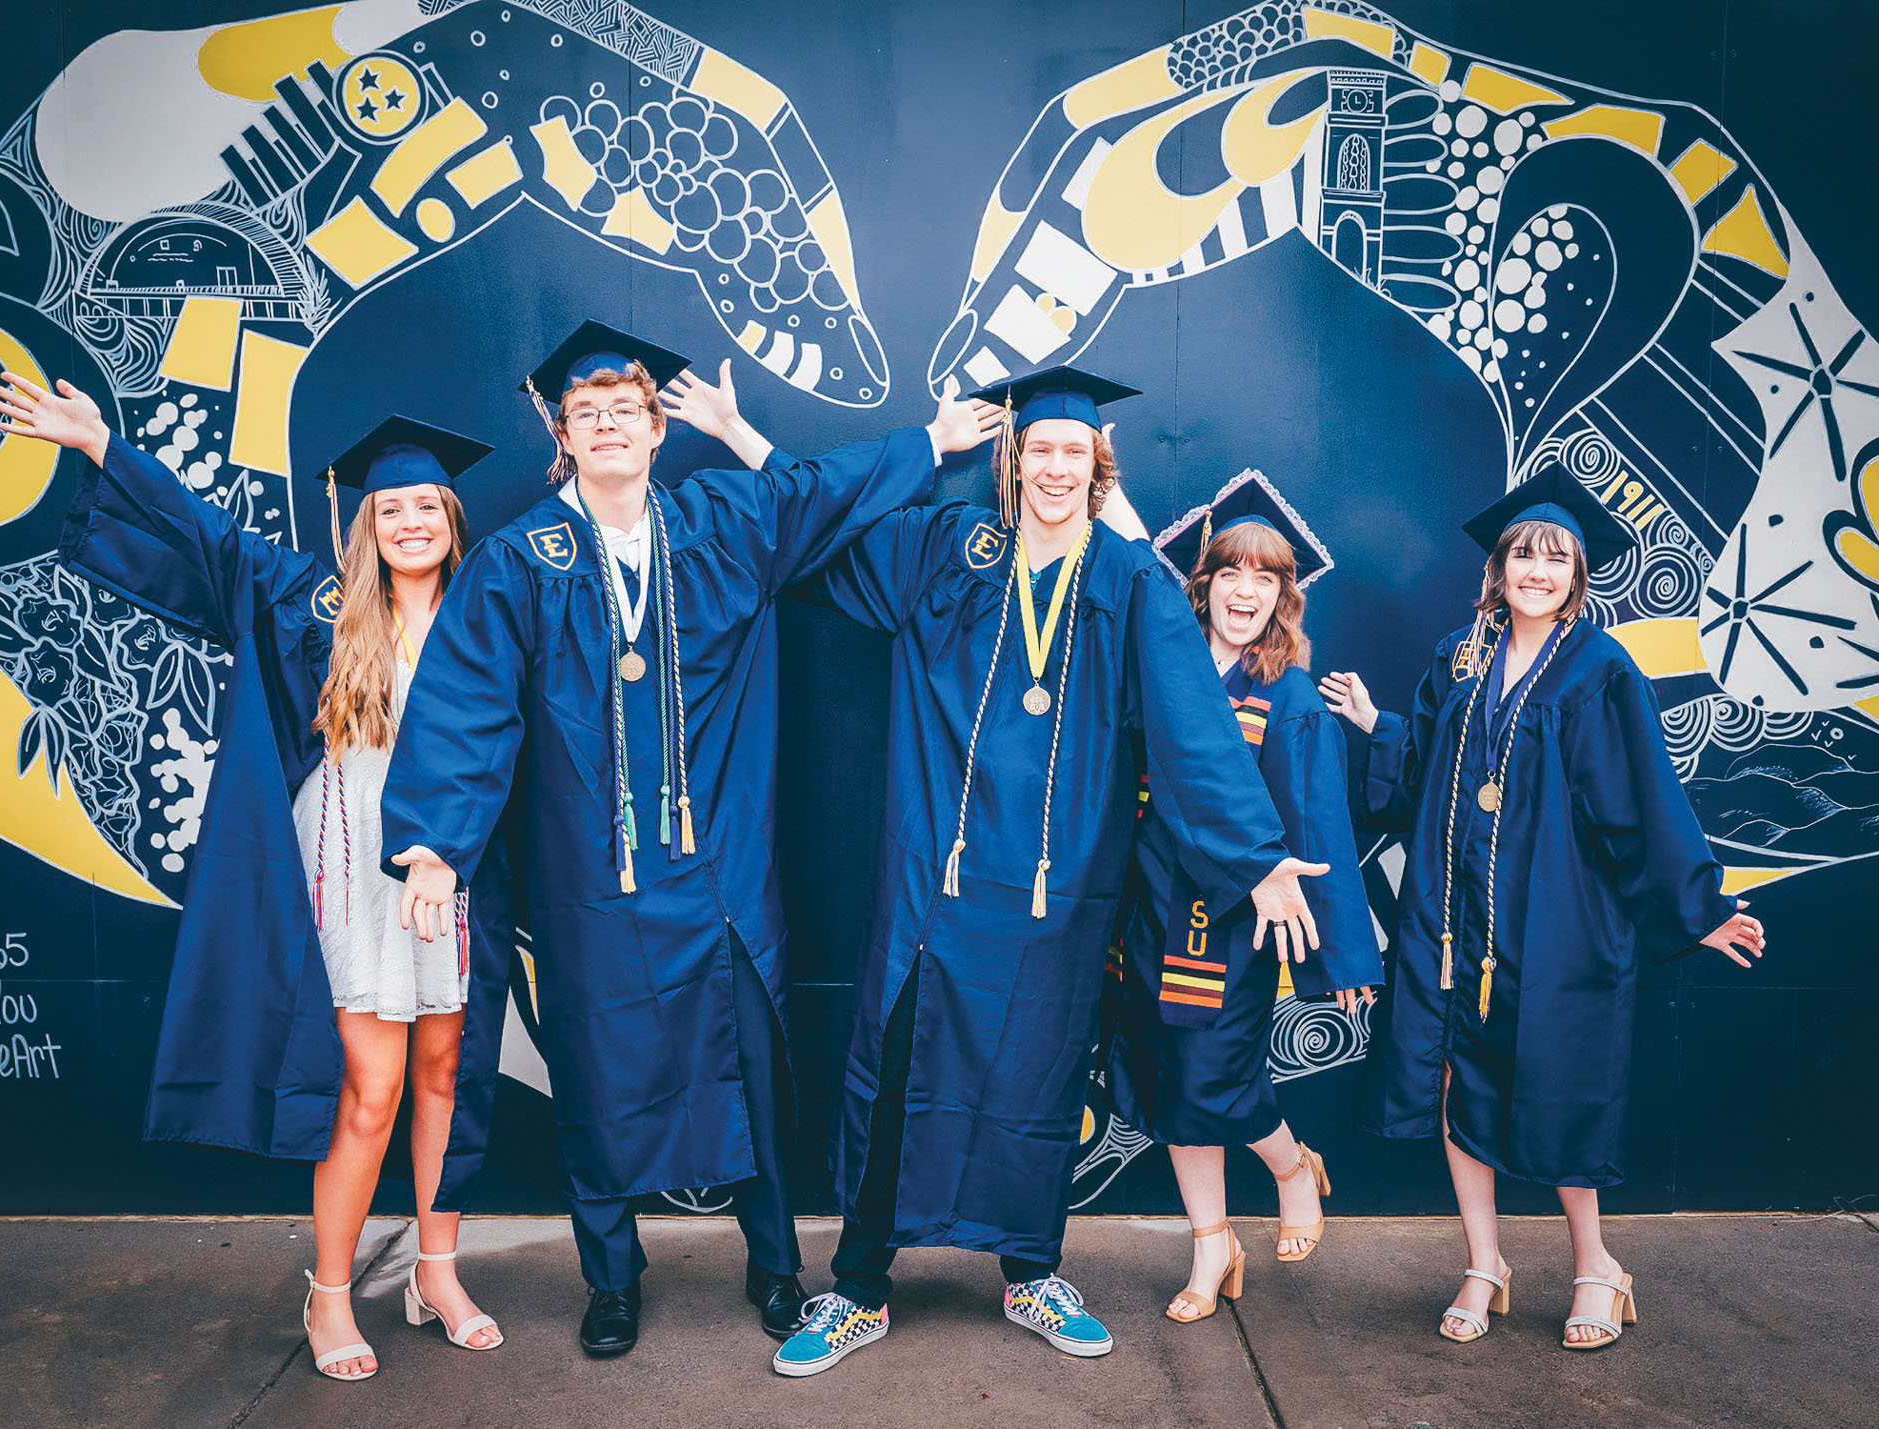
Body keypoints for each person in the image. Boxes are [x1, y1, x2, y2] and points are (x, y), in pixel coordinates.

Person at [380, 322, 1001, 1358]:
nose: (610, 425)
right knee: (594, 1078)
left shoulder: (719, 522)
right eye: (588, 414)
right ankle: (611, 1279)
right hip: (589, 877)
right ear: (563, 435)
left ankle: (774, 1268)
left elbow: (818, 490)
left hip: (719, 869)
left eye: (627, 409)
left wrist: (926, 444)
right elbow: (467, 703)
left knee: (750, 1071)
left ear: (658, 428)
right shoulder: (519, 562)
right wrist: (437, 847)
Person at [771, 367, 1325, 1378]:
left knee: (1032, 1076)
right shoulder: (949, 547)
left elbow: (1192, 732)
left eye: (1075, 453)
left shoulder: (1127, 578)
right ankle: (856, 1286)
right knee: (896, 1072)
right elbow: (811, 547)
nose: (1056, 467)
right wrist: (899, 451)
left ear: (1095, 467)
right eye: (1041, 450)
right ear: (1012, 459)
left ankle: (1029, 1272)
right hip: (932, 881)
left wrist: (1256, 859)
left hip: (1053, 889)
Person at [0, 372, 506, 1381]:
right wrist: (103, 448)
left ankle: (436, 1272)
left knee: (449, 1072)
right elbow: (209, 538)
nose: (409, 522)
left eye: (424, 507)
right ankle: (328, 1295)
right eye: (387, 507)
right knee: (373, 1087)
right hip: (354, 862)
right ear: (364, 525)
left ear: (452, 517)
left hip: (456, 868)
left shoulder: (489, 612)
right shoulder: (315, 602)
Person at [1319, 464, 1766, 1351]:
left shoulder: (1600, 668)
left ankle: (1597, 1266)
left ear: (1576, 575)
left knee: (1556, 1090)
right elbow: (1434, 778)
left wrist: (1698, 904)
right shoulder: (1461, 653)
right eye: (1523, 553)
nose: (1536, 569)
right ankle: (1485, 1262)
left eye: (1555, 557)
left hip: (1555, 920)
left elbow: (1641, 798)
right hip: (1454, 919)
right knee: (1454, 1082)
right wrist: (1380, 726)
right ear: (1499, 566)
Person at [1104, 473, 1381, 1325]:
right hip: (1151, 907)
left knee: (1213, 1078)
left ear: (1282, 598)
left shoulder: (1288, 694)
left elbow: (1321, 824)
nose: (1246, 592)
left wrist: (1344, 953)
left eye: (1265, 579)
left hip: (1236, 924)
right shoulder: (1171, 660)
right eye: (1231, 574)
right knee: (1169, 1083)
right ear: (1208, 583)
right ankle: (1211, 1242)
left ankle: (1294, 1168)